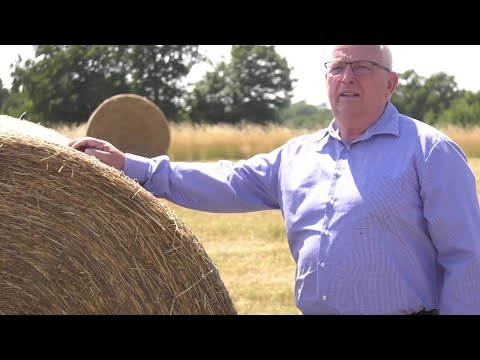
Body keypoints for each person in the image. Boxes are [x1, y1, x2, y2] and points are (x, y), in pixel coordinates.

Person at [69, 45, 480, 315]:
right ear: (326, 79)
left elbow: (467, 258)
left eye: (363, 67)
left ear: (390, 83)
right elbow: (226, 181)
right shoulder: (297, 157)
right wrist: (131, 167)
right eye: (338, 67)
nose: (348, 77)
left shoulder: (429, 152)